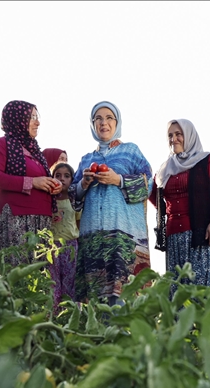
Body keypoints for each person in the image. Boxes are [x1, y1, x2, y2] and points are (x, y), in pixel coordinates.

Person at [71, 101, 152, 305]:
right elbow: (73, 196)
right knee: (95, 301)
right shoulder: (86, 159)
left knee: (123, 297)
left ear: (117, 123)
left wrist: (119, 180)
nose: (103, 123)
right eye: (98, 118)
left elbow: (149, 183)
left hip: (123, 237)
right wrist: (84, 183)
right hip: (93, 239)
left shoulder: (131, 151)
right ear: (92, 124)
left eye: (109, 118)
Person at [151, 119, 210, 287]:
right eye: (170, 136)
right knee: (178, 296)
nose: (174, 139)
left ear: (189, 136)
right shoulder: (165, 169)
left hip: (203, 235)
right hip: (174, 240)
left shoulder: (206, 160)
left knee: (203, 294)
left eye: (179, 134)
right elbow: (152, 194)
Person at [0, 101, 61, 269]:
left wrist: (52, 185)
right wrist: (32, 182)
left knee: (40, 280)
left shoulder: (35, 151)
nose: (37, 122)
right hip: (15, 217)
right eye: (32, 117)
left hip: (42, 220)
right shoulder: (1, 144)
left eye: (37, 117)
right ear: (18, 119)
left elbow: (40, 181)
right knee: (17, 275)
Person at [45, 150, 80, 309]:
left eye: (66, 176)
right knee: (53, 285)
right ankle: (53, 318)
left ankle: (70, 317)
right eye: (57, 175)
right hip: (51, 248)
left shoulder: (74, 200)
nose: (61, 179)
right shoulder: (48, 200)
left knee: (70, 283)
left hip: (70, 247)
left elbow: (78, 223)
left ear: (72, 180)